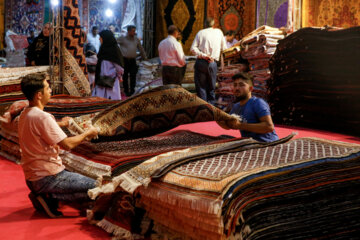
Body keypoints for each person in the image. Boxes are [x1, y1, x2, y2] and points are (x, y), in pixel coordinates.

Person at [18, 73, 99, 218]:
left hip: (32, 178)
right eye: (47, 88)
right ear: (38, 95)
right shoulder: (43, 117)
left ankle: (45, 195)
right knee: (99, 187)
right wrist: (88, 134)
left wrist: (62, 123)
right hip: (49, 177)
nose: (50, 91)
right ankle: (50, 198)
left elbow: (40, 128)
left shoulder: (25, 114)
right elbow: (67, 144)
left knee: (85, 189)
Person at [218, 72, 279, 142]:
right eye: (235, 85)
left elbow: (269, 127)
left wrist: (240, 126)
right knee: (221, 138)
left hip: (267, 143)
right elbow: (229, 126)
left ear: (250, 88)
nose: (237, 88)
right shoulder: (236, 107)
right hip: (250, 143)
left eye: (241, 85)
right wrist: (217, 117)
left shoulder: (258, 103)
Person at [190, 17, 227, 104]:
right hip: (213, 63)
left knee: (201, 88)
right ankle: (211, 110)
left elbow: (192, 49)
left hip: (202, 62)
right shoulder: (219, 32)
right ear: (213, 25)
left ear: (205, 25)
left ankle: (203, 109)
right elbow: (224, 48)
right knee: (211, 88)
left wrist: (204, 55)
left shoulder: (200, 33)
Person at [93, 30, 124, 100]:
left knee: (111, 102)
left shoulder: (114, 51)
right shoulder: (102, 49)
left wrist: (119, 76)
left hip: (111, 82)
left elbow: (119, 68)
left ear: (105, 38)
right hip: (101, 81)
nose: (99, 39)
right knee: (99, 101)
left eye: (100, 37)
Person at [117, 25, 147, 96]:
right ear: (129, 31)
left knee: (133, 75)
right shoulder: (122, 38)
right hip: (124, 60)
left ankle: (132, 90)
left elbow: (141, 49)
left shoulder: (136, 39)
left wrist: (145, 57)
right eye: (133, 31)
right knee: (125, 75)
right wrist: (118, 54)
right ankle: (126, 90)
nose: (134, 32)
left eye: (134, 31)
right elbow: (115, 44)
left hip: (133, 60)